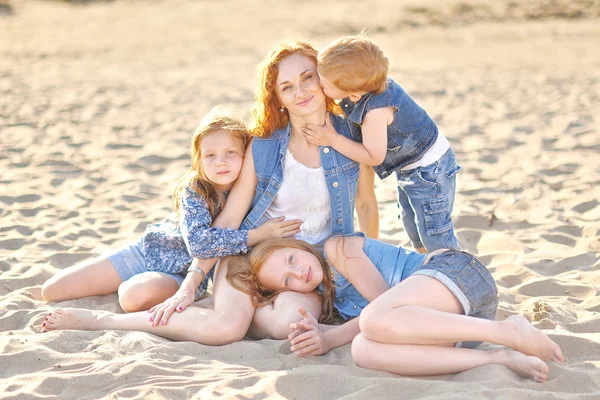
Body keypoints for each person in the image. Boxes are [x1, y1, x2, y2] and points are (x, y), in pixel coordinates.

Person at [40, 41, 377, 343]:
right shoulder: (264, 147)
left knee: (289, 323)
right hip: (249, 255)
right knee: (225, 329)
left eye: (307, 77)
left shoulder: (352, 137)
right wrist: (191, 282)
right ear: (278, 99)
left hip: (305, 267)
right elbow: (231, 217)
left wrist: (362, 264)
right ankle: (106, 321)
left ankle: (238, 309)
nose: (301, 91)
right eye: (287, 87)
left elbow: (364, 203)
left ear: (323, 76)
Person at [40, 111, 301, 313]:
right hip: (146, 252)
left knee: (132, 296)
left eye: (231, 152)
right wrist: (254, 236)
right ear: (199, 159)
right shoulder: (195, 190)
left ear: (246, 154)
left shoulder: (251, 196)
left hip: (182, 276)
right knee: (51, 291)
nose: (221, 161)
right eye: (210, 155)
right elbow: (199, 244)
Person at [225, 235, 564, 382]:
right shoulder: (334, 301)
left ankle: (506, 332)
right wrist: (322, 333)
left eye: (291, 259)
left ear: (298, 245)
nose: (298, 272)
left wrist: (331, 338)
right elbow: (388, 325)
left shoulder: (338, 249)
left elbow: (386, 302)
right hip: (456, 325)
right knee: (363, 350)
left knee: (371, 321)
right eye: (287, 280)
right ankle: (497, 357)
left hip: (458, 276)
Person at [302, 34, 460, 253]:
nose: (319, 84)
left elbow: (373, 156)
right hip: (413, 168)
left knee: (435, 233)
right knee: (414, 226)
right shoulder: (369, 83)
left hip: (429, 171)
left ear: (354, 95)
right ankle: (427, 265)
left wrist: (332, 139)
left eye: (324, 84)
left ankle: (456, 271)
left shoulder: (375, 112)